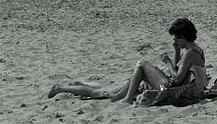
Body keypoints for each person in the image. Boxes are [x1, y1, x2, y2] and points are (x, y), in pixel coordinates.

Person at [47, 17, 207, 106]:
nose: (175, 41)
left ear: (182, 36)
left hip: (168, 88)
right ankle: (67, 87)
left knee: (141, 65)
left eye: (176, 39)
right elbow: (182, 71)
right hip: (173, 86)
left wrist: (168, 63)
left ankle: (127, 99)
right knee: (108, 92)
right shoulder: (197, 51)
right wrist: (176, 51)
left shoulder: (190, 54)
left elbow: (177, 79)